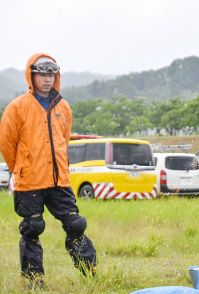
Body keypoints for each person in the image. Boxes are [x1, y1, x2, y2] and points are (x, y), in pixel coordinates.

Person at [0, 53, 97, 288]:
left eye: (51, 75)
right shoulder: (17, 107)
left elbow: (63, 141)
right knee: (32, 228)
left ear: (56, 77)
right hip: (29, 182)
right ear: (31, 76)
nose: (47, 79)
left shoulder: (63, 107)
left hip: (59, 181)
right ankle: (35, 280)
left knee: (75, 224)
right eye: (42, 74)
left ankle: (90, 273)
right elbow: (6, 143)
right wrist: (21, 168)